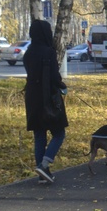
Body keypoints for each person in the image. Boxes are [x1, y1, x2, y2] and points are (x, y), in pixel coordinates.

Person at [23, 20, 68, 184]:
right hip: (48, 98)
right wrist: (62, 86)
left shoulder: (28, 52)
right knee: (59, 133)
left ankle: (43, 174)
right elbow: (54, 78)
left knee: (40, 135)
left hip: (32, 99)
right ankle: (45, 164)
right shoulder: (48, 52)